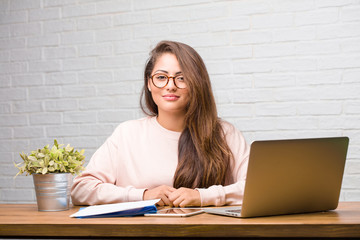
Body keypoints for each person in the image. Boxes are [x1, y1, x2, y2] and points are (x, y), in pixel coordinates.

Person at [71, 40, 249, 207]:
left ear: (197, 84)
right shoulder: (127, 133)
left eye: (181, 78)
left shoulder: (224, 133)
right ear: (149, 83)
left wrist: (202, 196)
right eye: (161, 77)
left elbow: (255, 188)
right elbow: (81, 189)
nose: (170, 86)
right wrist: (143, 195)